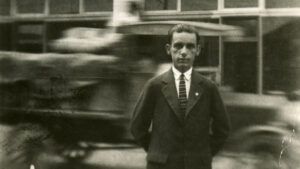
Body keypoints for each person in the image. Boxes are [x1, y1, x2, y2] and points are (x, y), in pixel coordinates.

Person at [130, 24, 231, 169]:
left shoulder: (209, 88)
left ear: (198, 50)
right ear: (168, 49)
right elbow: (137, 127)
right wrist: (157, 152)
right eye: (178, 46)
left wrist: (203, 154)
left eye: (190, 46)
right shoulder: (154, 86)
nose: (184, 52)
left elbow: (223, 129)